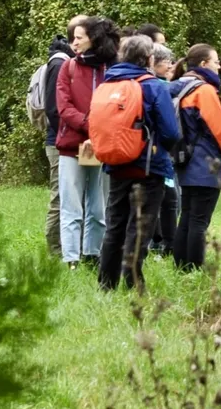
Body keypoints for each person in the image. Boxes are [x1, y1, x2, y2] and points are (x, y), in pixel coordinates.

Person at [94, 33, 182, 292]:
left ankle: (105, 284)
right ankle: (132, 282)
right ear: (149, 58)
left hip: (116, 163)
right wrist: (160, 150)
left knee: (116, 224)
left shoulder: (106, 84)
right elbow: (170, 131)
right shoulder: (153, 85)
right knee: (140, 225)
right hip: (148, 166)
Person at [54, 16, 118, 269]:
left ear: (95, 38)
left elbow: (116, 104)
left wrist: (99, 131)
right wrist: (89, 125)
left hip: (102, 146)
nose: (74, 42)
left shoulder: (111, 69)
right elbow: (64, 107)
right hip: (71, 146)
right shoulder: (67, 67)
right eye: (73, 37)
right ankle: (71, 258)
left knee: (99, 205)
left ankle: (93, 254)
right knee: (71, 204)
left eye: (79, 37)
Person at [172, 44, 221, 272]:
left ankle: (180, 267)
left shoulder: (179, 87)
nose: (219, 65)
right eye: (216, 61)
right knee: (199, 221)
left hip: (184, 160)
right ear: (203, 64)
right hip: (207, 163)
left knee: (187, 216)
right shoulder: (204, 91)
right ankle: (193, 269)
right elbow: (219, 130)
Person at [39, 16, 84, 257]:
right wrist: (68, 135)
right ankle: (55, 251)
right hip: (58, 142)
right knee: (60, 197)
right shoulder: (60, 64)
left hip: (65, 140)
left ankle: (71, 247)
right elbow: (54, 109)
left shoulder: (74, 62)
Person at [148, 43, 180, 260]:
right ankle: (163, 243)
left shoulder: (157, 84)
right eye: (167, 61)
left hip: (156, 152)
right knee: (168, 200)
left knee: (167, 198)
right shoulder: (159, 87)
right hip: (158, 152)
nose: (170, 65)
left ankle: (163, 242)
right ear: (154, 63)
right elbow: (169, 127)